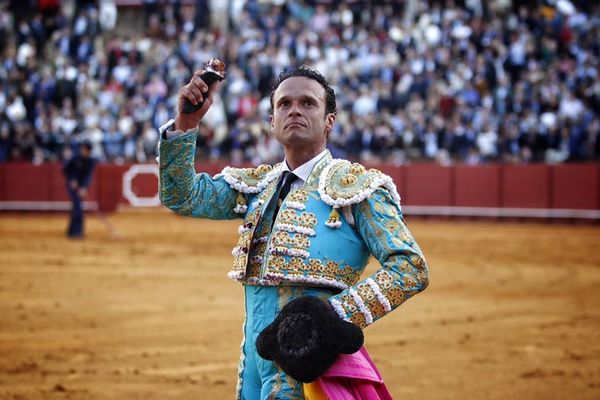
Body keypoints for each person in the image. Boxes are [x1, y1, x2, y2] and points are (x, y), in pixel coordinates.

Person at [158, 66, 429, 399]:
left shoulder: (358, 187)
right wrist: (187, 125)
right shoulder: (259, 185)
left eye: (308, 103)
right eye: (284, 104)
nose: (295, 110)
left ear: (330, 119)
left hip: (313, 361)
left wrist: (329, 318)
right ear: (272, 121)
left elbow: (410, 267)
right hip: (254, 361)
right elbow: (182, 196)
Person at [63, 141, 96, 239]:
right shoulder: (75, 158)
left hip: (81, 187)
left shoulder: (90, 161)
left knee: (77, 207)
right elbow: (65, 170)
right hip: (72, 186)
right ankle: (77, 232)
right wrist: (71, 180)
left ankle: (71, 231)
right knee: (78, 208)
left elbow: (88, 176)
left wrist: (84, 187)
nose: (83, 151)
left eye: (85, 149)